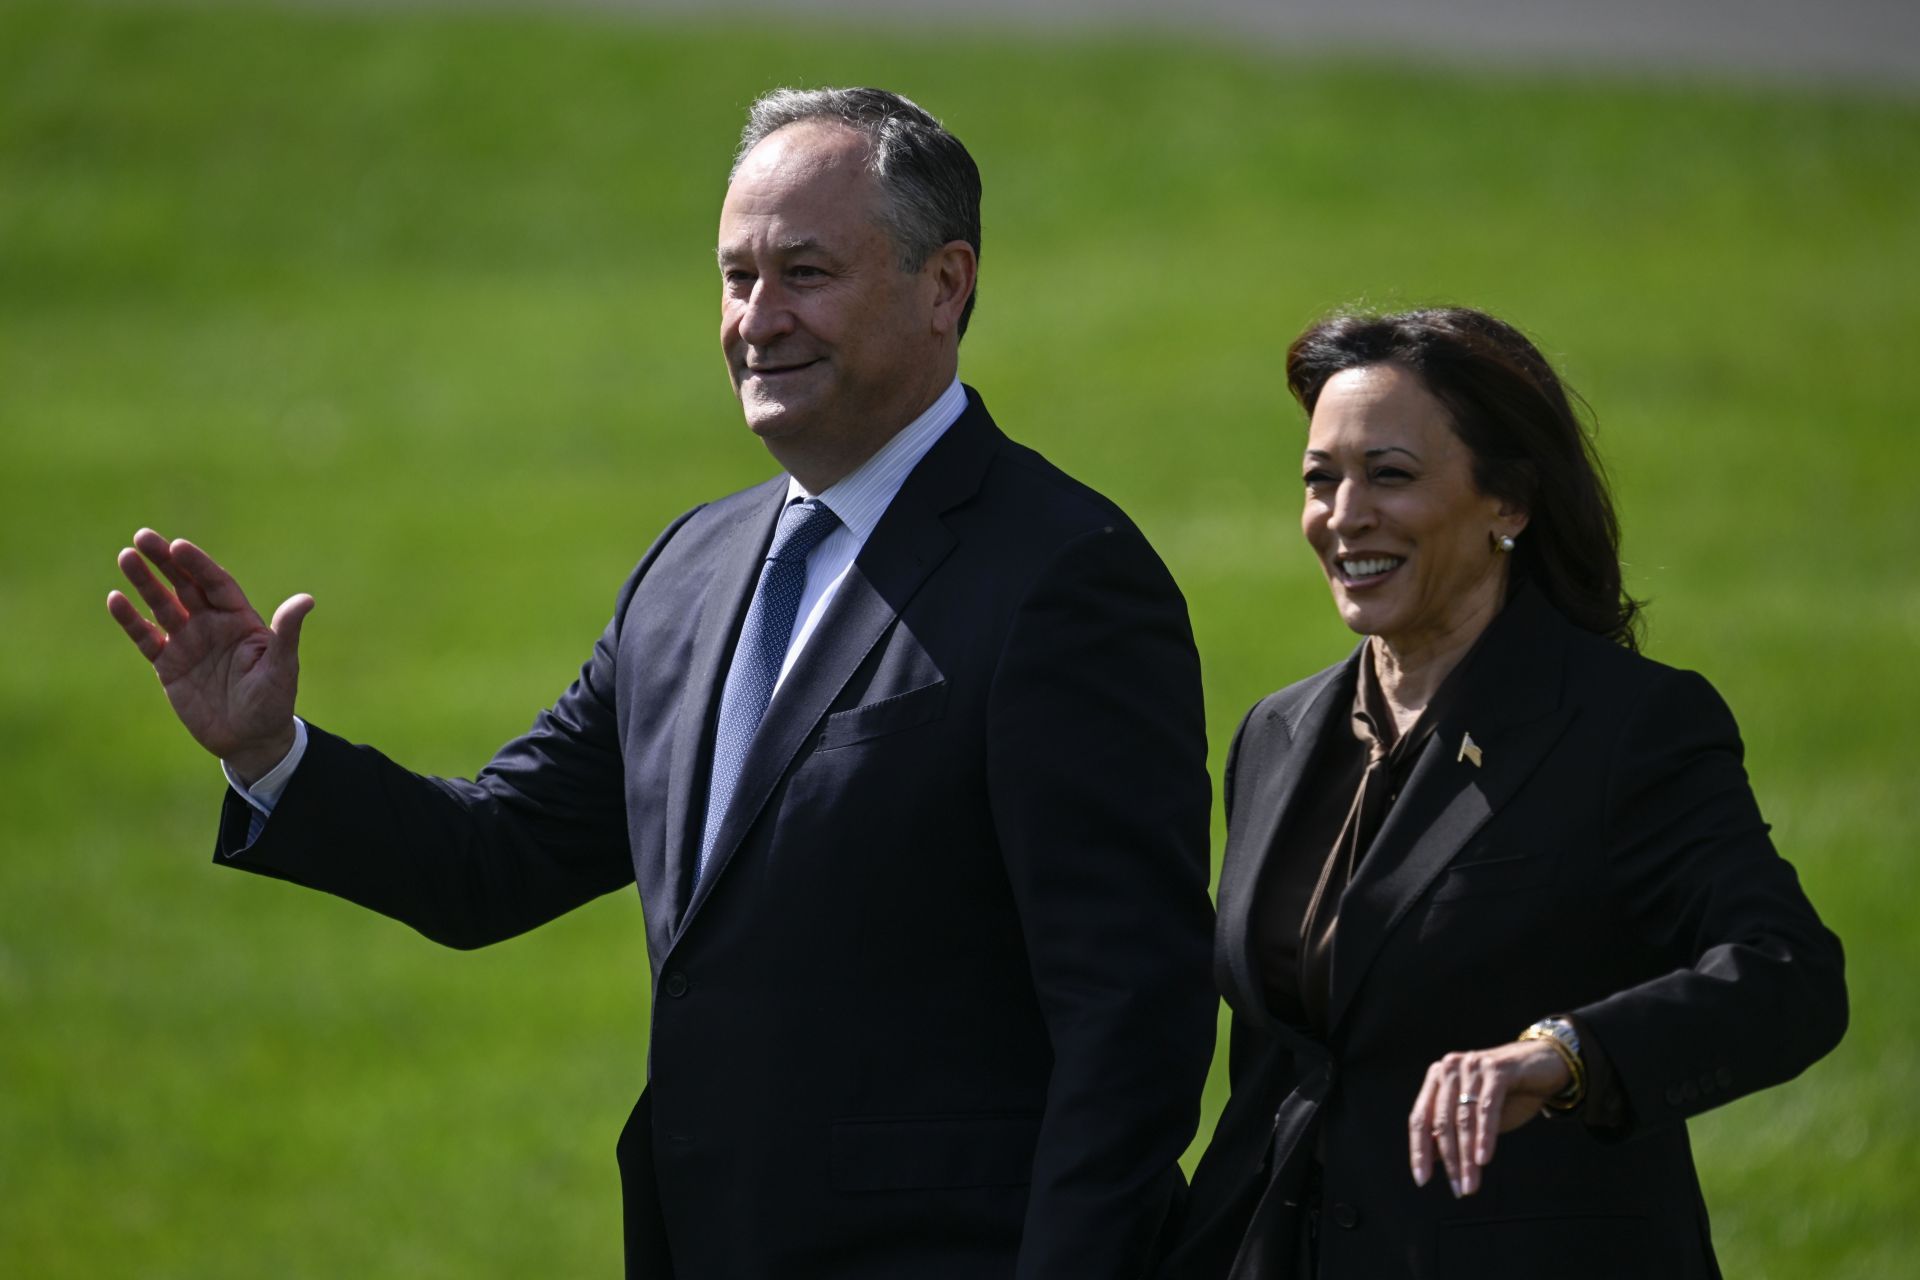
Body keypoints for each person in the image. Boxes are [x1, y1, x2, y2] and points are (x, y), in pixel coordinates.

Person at [107, 87, 1216, 1279]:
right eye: (736, 278)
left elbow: (1133, 1024)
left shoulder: (1067, 578)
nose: (758, 318)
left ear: (945, 284)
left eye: (805, 272)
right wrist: (272, 752)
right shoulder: (689, 571)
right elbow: (494, 856)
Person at [1165, 306, 1846, 1279]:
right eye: (1321, 479)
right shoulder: (1277, 734)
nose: (1345, 513)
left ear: (1508, 502)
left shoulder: (1628, 726)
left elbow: (1789, 974)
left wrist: (1566, 1055)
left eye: (1389, 475)